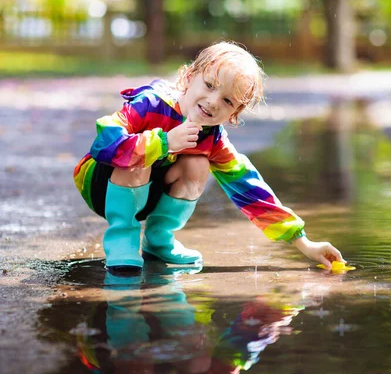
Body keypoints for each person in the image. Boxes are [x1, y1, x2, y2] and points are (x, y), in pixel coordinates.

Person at [73, 41, 345, 272]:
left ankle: (158, 239)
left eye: (228, 101)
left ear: (234, 114)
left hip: (148, 197)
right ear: (190, 76)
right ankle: (123, 240)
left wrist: (304, 242)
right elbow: (104, 143)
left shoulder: (211, 138)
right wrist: (165, 142)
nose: (214, 101)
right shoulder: (152, 104)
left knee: (197, 164)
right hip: (102, 187)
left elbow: (249, 188)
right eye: (210, 85)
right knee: (140, 157)